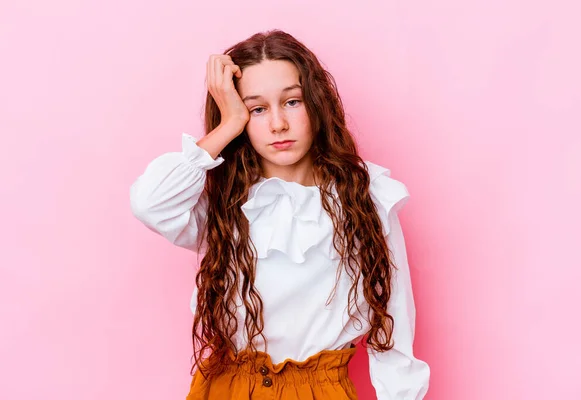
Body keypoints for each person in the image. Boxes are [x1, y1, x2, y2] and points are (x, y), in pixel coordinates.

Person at [130, 29, 430, 400]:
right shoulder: (226, 204)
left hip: (320, 390)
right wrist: (227, 126)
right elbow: (150, 203)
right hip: (226, 387)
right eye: (257, 109)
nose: (278, 125)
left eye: (292, 102)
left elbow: (394, 329)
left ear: (317, 104)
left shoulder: (363, 197)